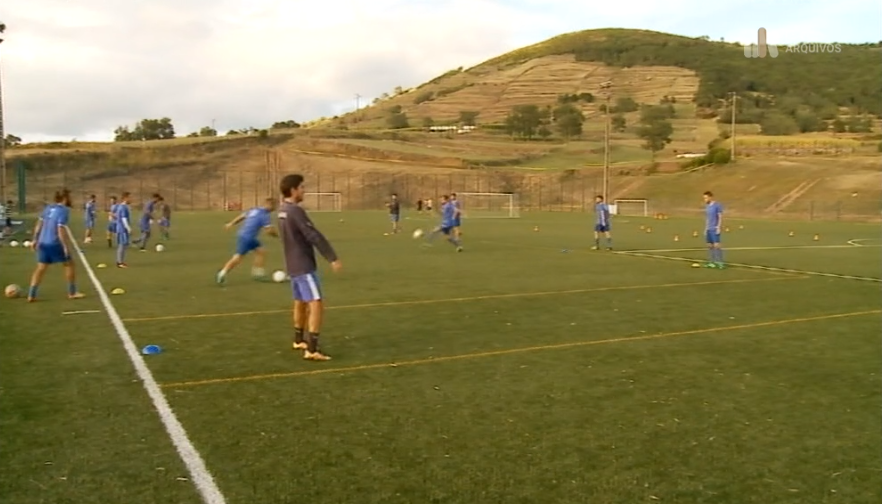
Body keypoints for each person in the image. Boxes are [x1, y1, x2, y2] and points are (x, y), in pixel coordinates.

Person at [278, 174, 342, 361]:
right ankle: (312, 349)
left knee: (300, 301)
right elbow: (313, 235)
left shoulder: (282, 210)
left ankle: (299, 339)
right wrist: (332, 257)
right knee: (316, 303)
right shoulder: (295, 211)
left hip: (291, 263)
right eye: (301, 188)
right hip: (303, 264)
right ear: (293, 190)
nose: (304, 191)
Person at [26, 189, 86, 302]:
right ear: (65, 198)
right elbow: (60, 228)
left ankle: (31, 294)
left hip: (43, 242)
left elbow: (39, 224)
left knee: (40, 268)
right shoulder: (64, 211)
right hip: (54, 243)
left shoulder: (48, 208)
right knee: (69, 264)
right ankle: (72, 292)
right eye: (69, 196)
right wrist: (65, 246)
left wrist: (35, 239)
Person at [216, 198, 277, 284]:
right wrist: (277, 235)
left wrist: (231, 223)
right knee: (238, 258)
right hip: (247, 237)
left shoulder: (254, 210)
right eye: (274, 206)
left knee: (261, 251)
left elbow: (242, 216)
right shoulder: (265, 215)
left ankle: (258, 273)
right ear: (270, 205)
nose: (275, 208)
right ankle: (222, 273)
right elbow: (269, 231)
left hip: (245, 235)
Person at [703, 191, 724, 268]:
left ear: (710, 197)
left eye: (706, 198)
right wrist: (706, 228)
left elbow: (720, 216)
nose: (705, 200)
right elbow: (707, 218)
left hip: (715, 228)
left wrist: (718, 227)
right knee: (709, 245)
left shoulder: (717, 205)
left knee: (717, 245)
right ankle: (711, 262)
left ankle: (720, 262)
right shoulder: (707, 206)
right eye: (704, 198)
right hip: (709, 228)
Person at [115, 192, 133, 268]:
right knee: (122, 245)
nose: (131, 199)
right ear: (125, 198)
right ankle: (120, 262)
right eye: (130, 197)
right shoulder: (123, 207)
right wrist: (128, 228)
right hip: (122, 229)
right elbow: (124, 219)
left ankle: (120, 261)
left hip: (120, 228)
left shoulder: (121, 207)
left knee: (123, 245)